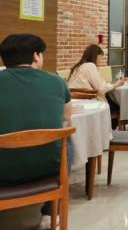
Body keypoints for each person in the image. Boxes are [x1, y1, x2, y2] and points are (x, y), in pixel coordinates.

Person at [0, 34, 72, 229]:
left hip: (3, 170)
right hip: (47, 168)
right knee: (66, 140)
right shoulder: (56, 81)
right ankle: (49, 211)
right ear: (35, 56)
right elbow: (67, 116)